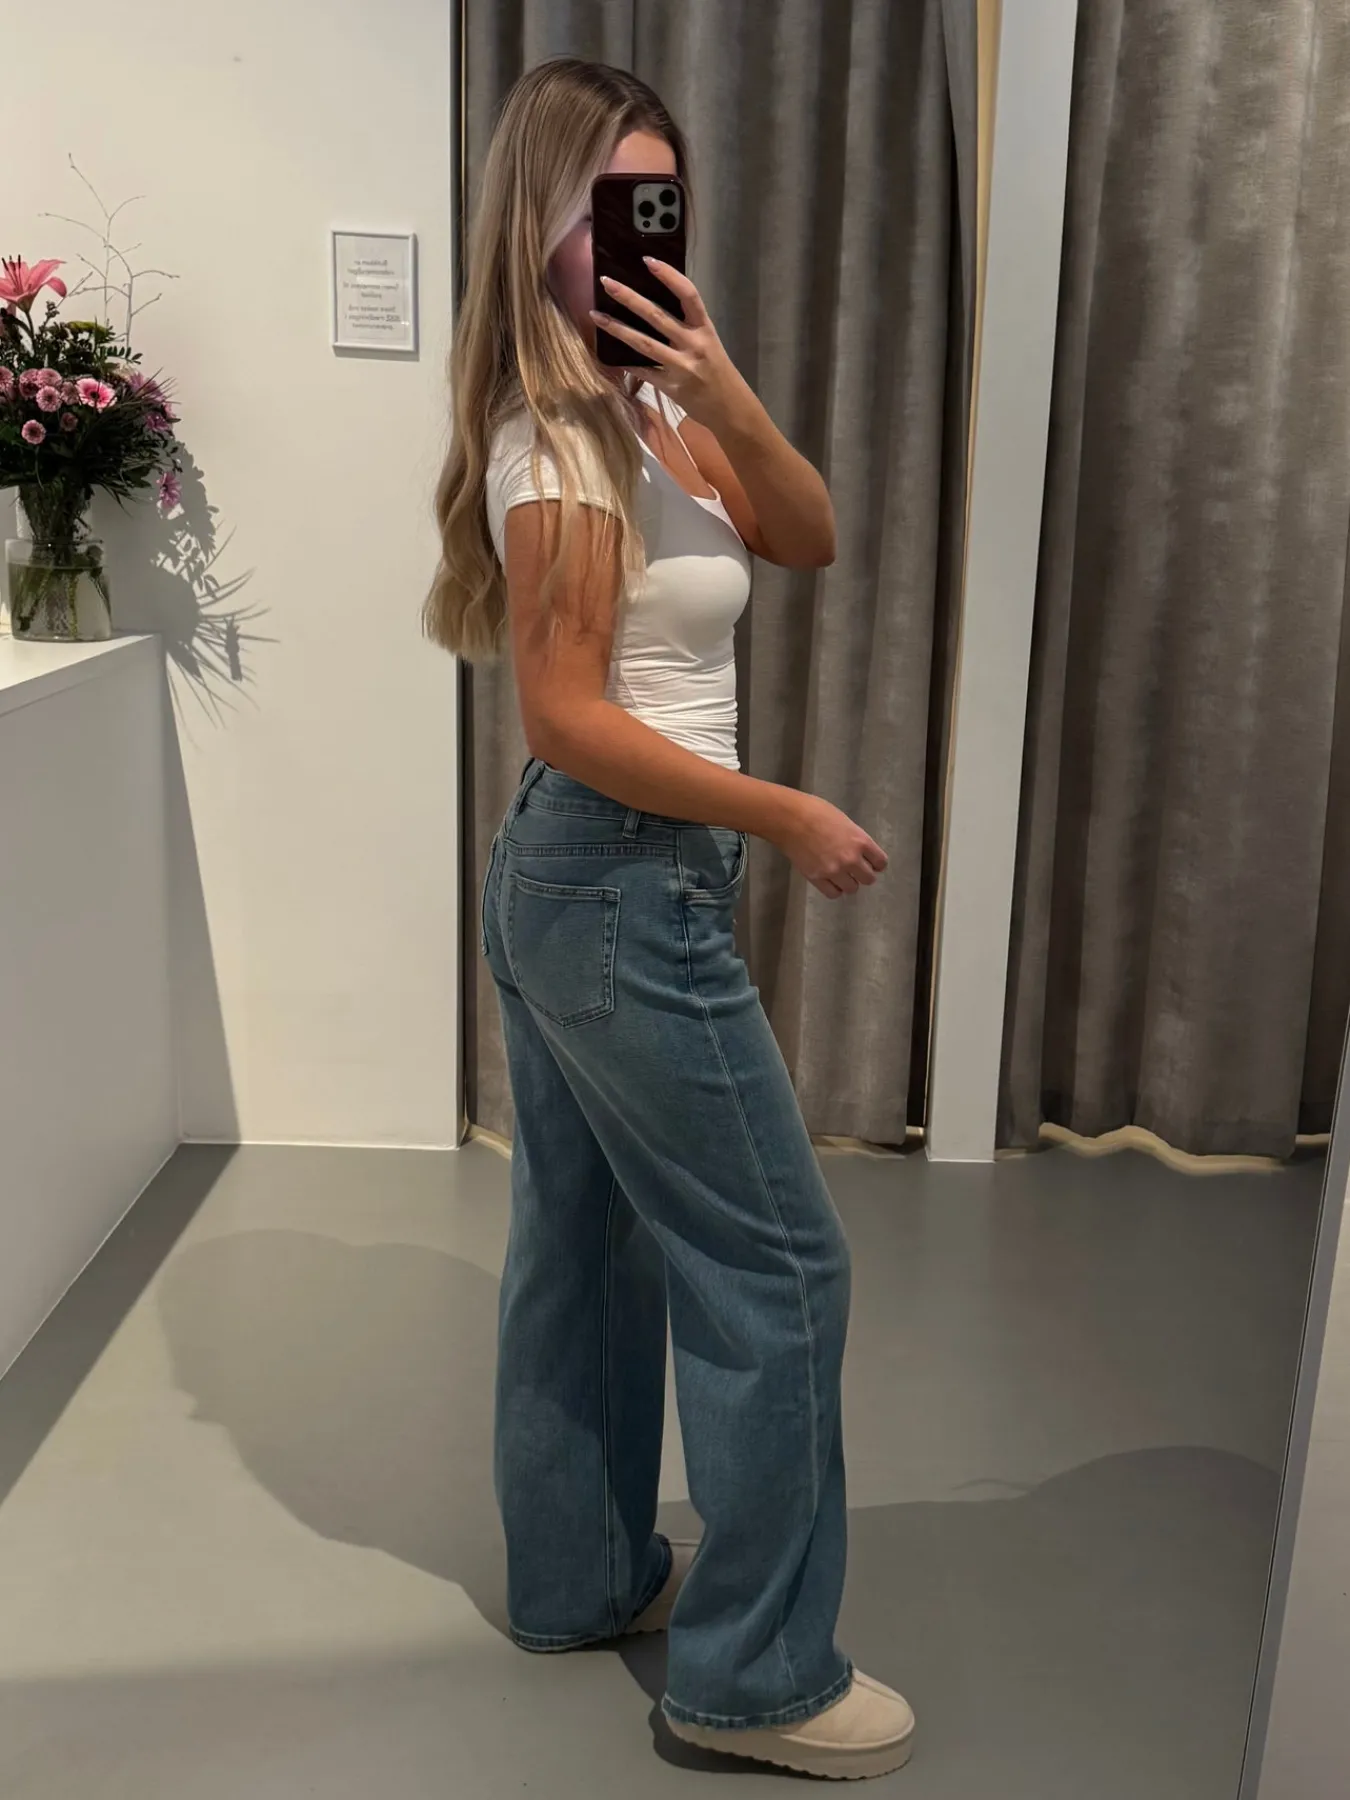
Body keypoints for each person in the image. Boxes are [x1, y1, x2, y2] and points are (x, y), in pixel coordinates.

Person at [424, 56, 915, 1782]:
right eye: (603, 211)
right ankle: (756, 1680)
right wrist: (780, 811)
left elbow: (809, 534)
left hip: (591, 884)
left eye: (660, 205)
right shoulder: (554, 439)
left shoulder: (651, 412)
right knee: (779, 1266)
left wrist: (719, 384)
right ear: (535, 227)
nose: (636, 240)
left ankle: (582, 1581)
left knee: (590, 1245)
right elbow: (564, 713)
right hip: (621, 878)